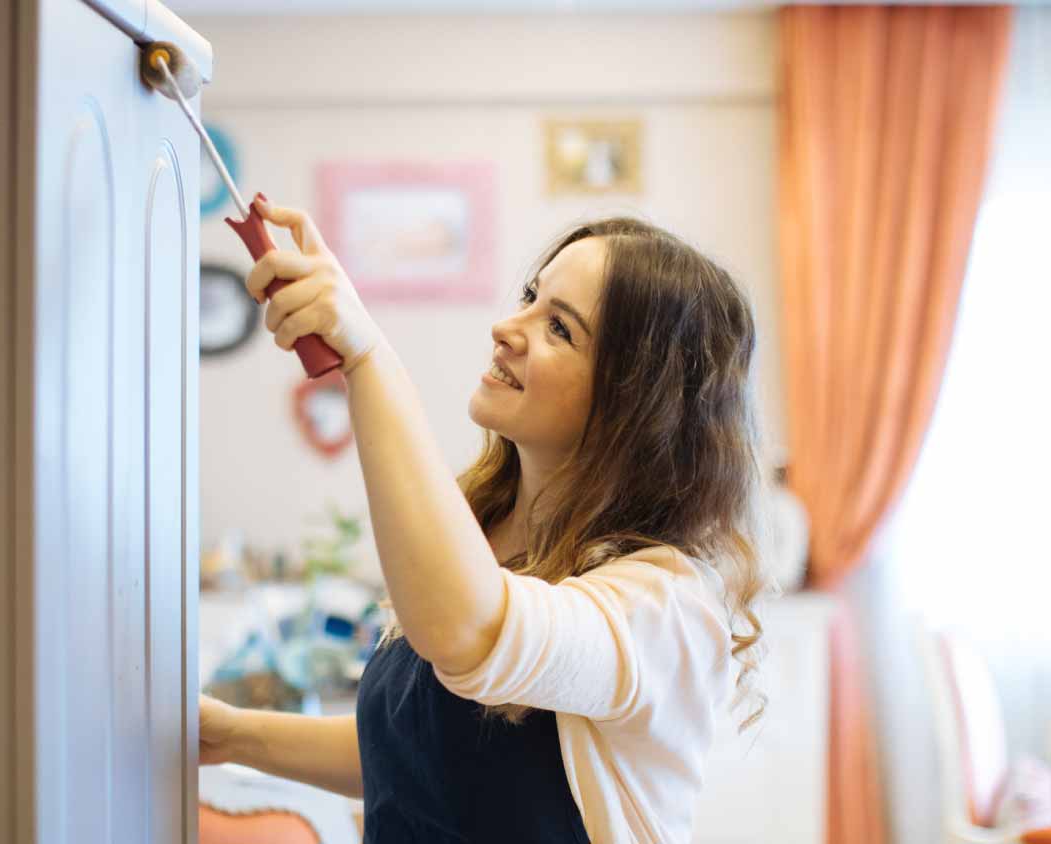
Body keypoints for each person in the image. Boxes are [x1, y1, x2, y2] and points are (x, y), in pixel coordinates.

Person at [199, 197, 769, 844]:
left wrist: (367, 356)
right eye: (530, 295)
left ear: (636, 405)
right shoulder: (482, 539)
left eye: (560, 328)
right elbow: (414, 753)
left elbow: (471, 630)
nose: (506, 326)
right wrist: (231, 734)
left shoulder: (667, 609)